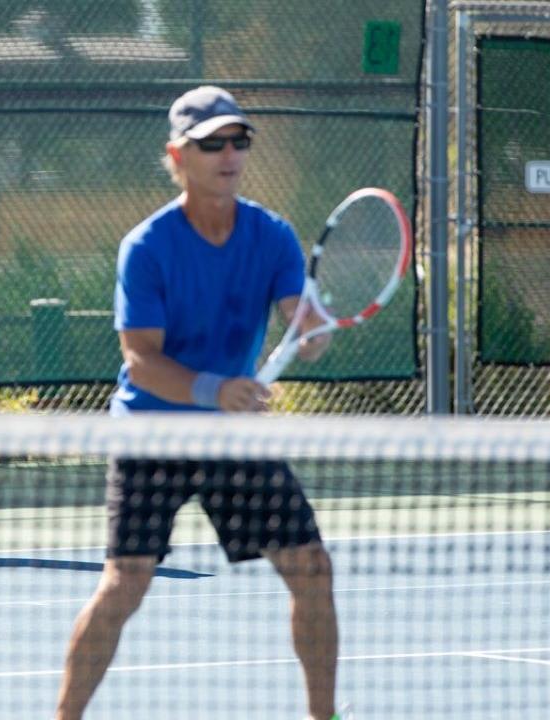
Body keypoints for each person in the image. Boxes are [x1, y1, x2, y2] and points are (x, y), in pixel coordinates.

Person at [54, 86, 340, 720]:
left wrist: (312, 331)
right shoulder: (148, 247)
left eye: (240, 140)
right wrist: (215, 389)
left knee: (313, 570)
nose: (230, 153)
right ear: (178, 155)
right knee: (126, 583)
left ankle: (325, 716)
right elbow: (141, 360)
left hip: (232, 439)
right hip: (151, 436)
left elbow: (302, 324)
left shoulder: (272, 236)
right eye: (213, 143)